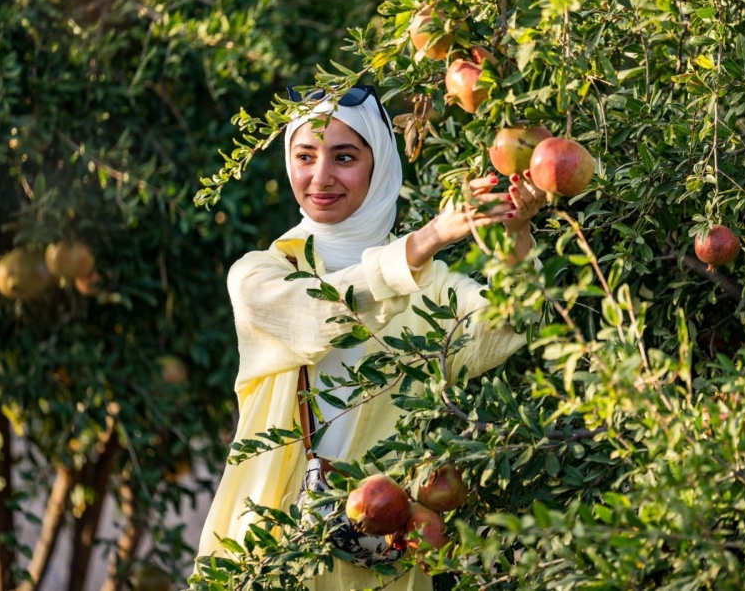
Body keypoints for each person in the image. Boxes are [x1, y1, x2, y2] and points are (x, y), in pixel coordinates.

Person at [197, 86, 546, 590]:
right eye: (305, 156)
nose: (321, 177)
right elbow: (324, 313)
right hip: (265, 552)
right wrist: (429, 238)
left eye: (344, 157)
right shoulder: (260, 275)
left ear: (378, 164)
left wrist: (516, 233)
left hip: (382, 560)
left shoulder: (431, 288)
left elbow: (506, 329)